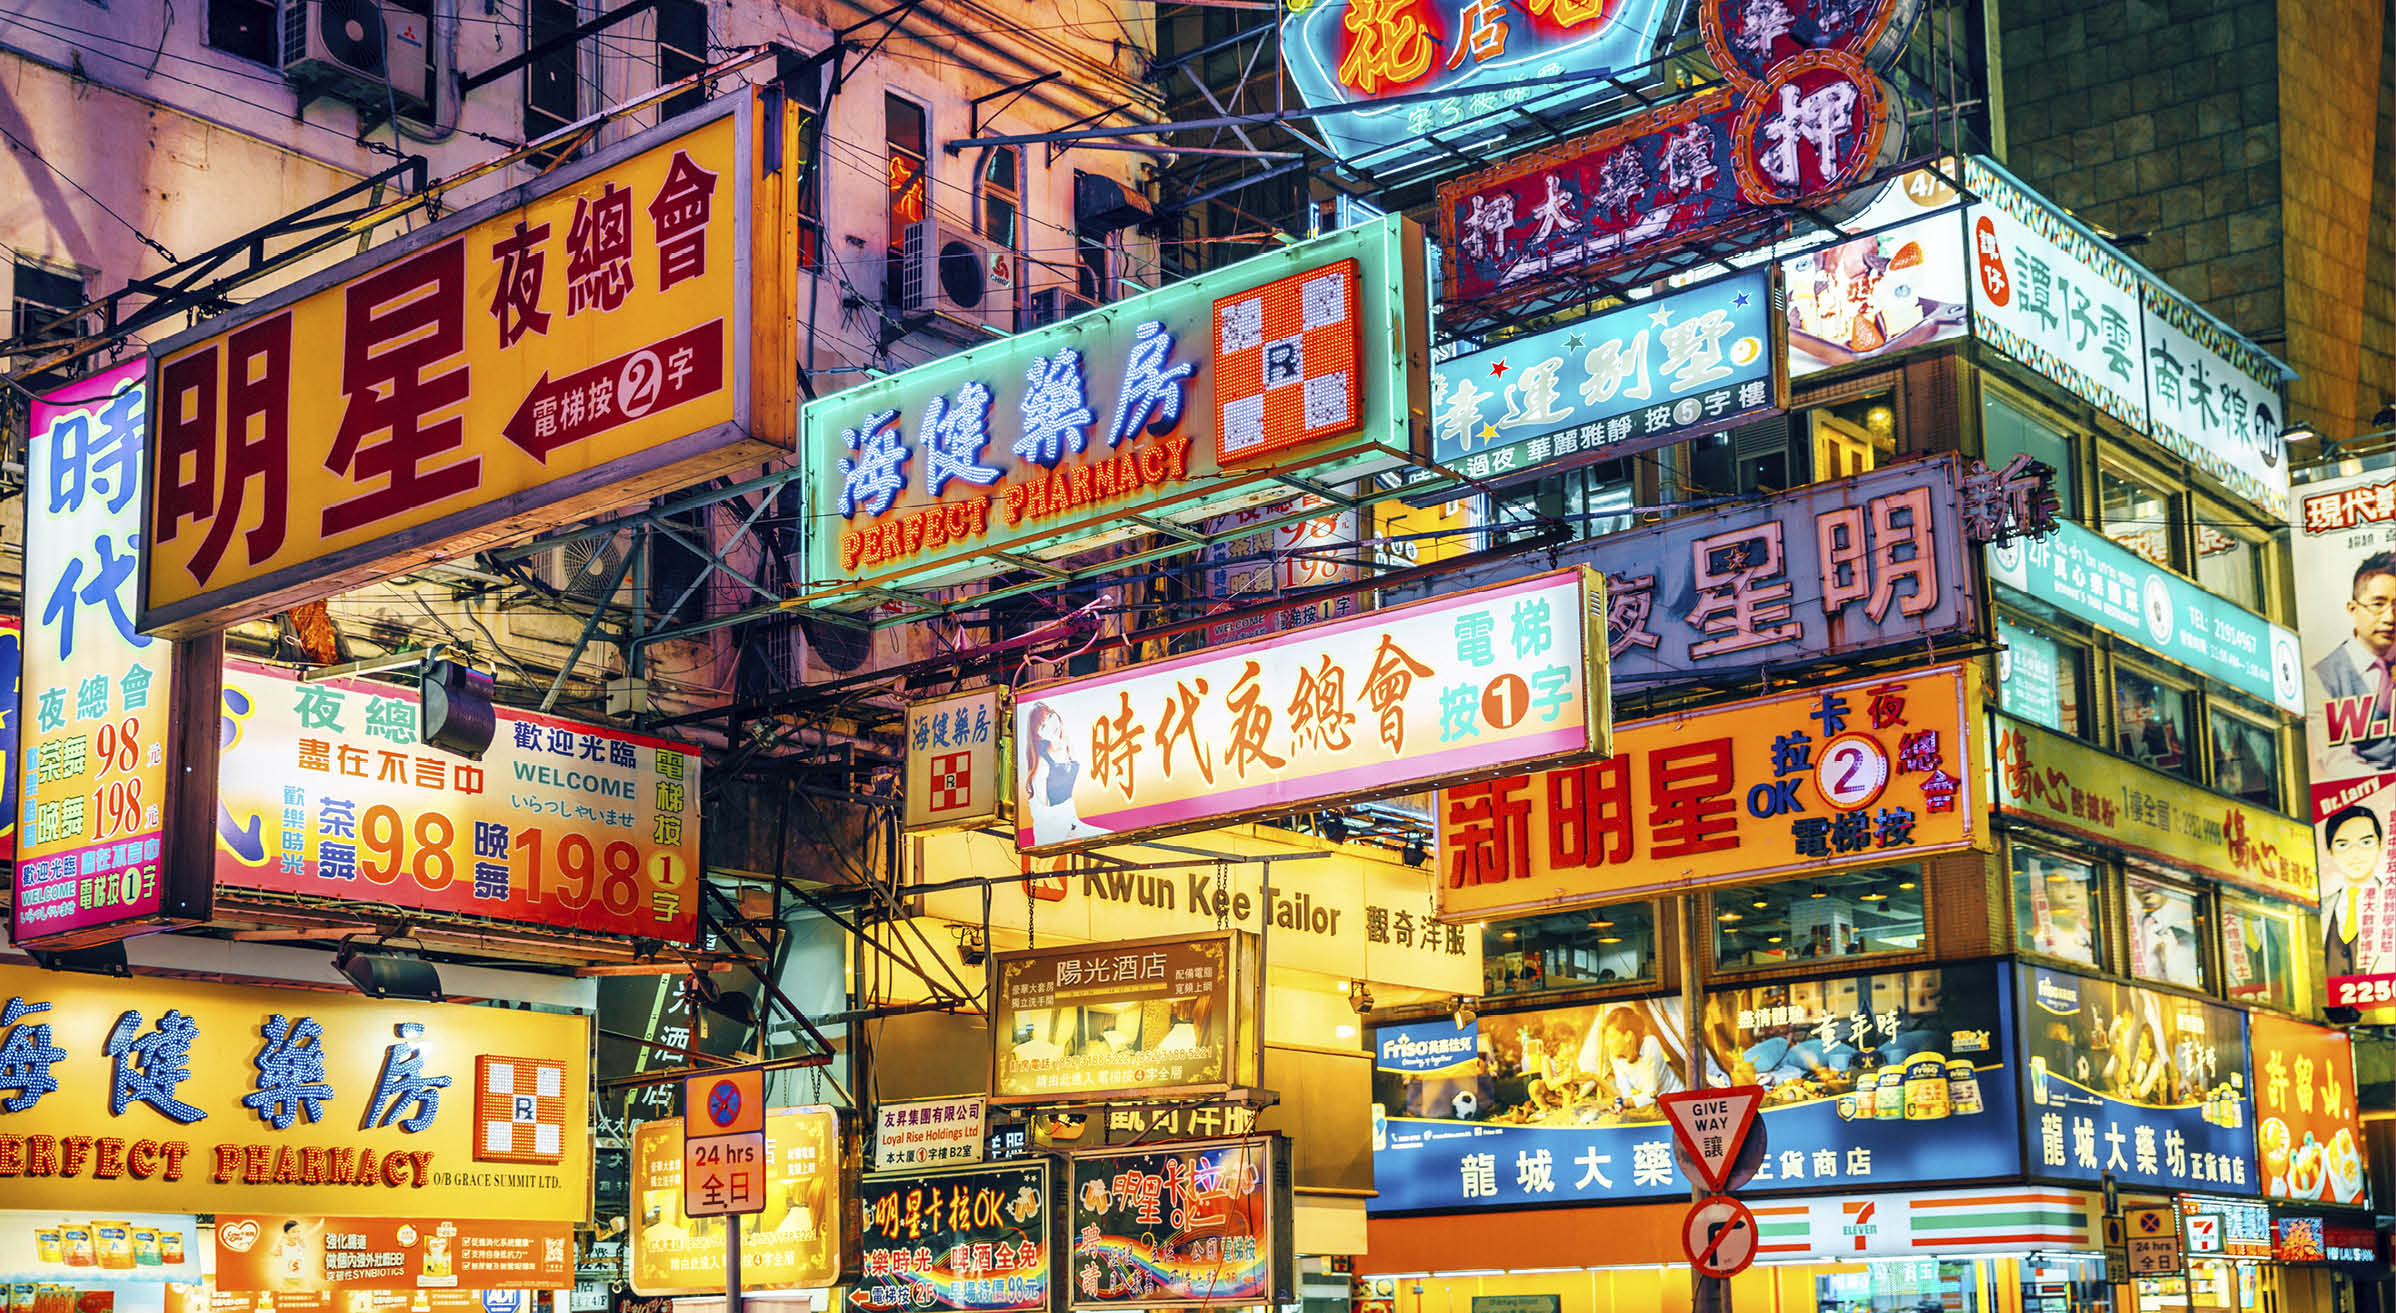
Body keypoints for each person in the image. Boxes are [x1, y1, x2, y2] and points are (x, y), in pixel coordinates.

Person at [2311, 552, 2396, 774]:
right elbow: (2339, 761)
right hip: (2367, 798)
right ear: (2353, 609)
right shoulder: (2321, 677)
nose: (2390, 618)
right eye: (2378, 604)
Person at [2322, 803, 2387, 981]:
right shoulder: (2320, 909)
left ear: (2380, 844)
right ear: (2330, 851)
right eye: (2343, 845)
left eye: (2366, 842)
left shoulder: (2391, 903)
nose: (2355, 853)